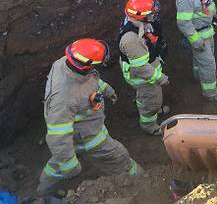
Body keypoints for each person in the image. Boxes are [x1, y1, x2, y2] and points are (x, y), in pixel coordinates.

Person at [37, 39, 140, 197]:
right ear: (87, 65)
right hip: (88, 137)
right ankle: (142, 180)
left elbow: (90, 80)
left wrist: (106, 90)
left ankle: (43, 191)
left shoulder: (64, 63)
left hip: (76, 132)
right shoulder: (64, 99)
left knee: (56, 165)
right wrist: (70, 165)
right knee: (119, 157)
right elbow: (58, 136)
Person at [176, 0, 217, 105]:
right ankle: (210, 94)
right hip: (199, 35)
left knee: (203, 61)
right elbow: (183, 23)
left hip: (207, 31)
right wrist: (196, 41)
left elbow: (206, 4)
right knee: (209, 64)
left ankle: (199, 75)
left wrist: (213, 17)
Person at [118, 0, 170, 135]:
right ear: (140, 17)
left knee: (150, 96)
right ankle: (150, 125)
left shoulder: (137, 24)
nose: (154, 15)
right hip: (143, 77)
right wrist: (160, 78)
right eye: (151, 13)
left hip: (148, 68)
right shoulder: (131, 40)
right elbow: (141, 68)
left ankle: (151, 106)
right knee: (151, 100)